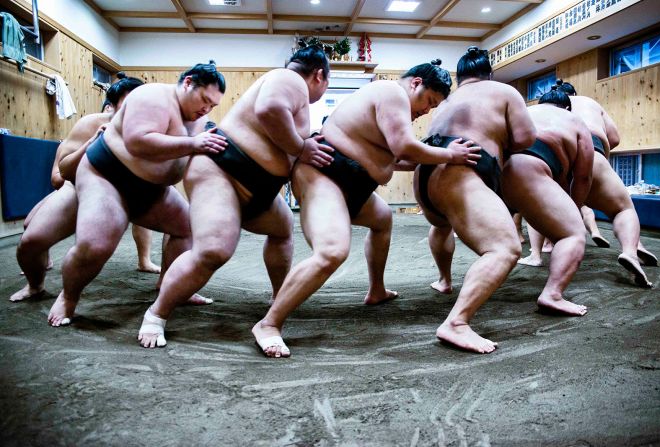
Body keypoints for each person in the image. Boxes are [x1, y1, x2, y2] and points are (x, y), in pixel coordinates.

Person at [252, 58, 481, 358]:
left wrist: (436, 158)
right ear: (415, 84)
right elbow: (403, 146)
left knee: (383, 218)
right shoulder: (392, 92)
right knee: (332, 251)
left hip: (353, 185)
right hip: (327, 176)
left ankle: (376, 290)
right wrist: (449, 155)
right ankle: (269, 324)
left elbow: (394, 159)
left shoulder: (389, 107)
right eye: (428, 101)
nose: (426, 110)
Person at [137, 46, 336, 348]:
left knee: (282, 229)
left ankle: (279, 297)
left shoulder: (296, 98)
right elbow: (269, 109)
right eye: (327, 84)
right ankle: (156, 314)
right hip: (224, 171)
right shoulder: (289, 78)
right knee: (213, 250)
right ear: (319, 75)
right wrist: (301, 146)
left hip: (258, 187)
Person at [47, 61, 228, 326]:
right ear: (188, 83)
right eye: (204, 99)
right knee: (94, 245)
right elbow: (138, 141)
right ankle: (68, 296)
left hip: (151, 190)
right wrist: (192, 144)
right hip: (107, 176)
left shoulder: (198, 119)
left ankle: (169, 285)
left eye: (212, 106)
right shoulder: (153, 96)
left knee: (189, 228)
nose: (206, 108)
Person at [413, 47, 536, 353]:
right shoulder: (504, 91)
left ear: (459, 78)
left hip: (425, 176)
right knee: (505, 248)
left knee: (442, 223)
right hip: (461, 169)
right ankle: (457, 322)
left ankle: (444, 280)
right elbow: (525, 138)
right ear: (488, 74)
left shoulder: (448, 99)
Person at [10, 73, 160, 302]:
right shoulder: (90, 124)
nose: (134, 108)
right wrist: (92, 144)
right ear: (112, 106)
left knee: (185, 223)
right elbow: (61, 176)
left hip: (132, 192)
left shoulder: (156, 127)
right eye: (128, 102)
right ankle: (35, 286)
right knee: (31, 241)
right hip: (81, 187)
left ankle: (161, 276)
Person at [502, 87, 593, 316]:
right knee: (574, 234)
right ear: (567, 107)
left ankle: (445, 281)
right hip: (533, 169)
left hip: (492, 170)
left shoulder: (521, 111)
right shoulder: (573, 120)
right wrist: (574, 209)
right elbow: (583, 177)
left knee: (497, 247)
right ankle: (552, 294)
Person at [558, 80, 656, 286]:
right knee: (623, 209)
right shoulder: (588, 102)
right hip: (591, 149)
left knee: (572, 205)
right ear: (574, 93)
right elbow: (615, 137)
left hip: (556, 157)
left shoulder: (548, 107)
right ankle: (630, 250)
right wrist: (601, 150)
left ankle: (542, 252)